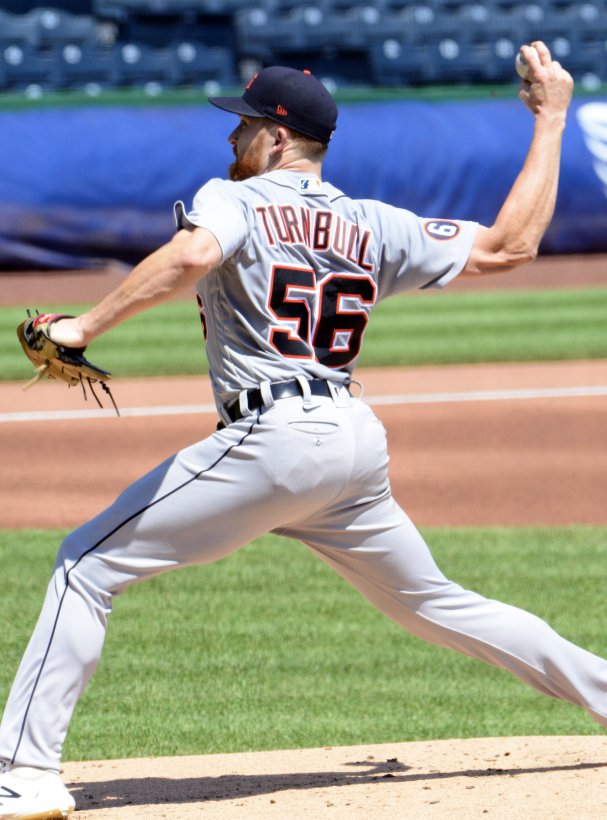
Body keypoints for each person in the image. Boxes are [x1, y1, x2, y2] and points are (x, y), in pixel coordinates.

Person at [0, 43, 601, 820]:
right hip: (351, 443)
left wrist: (82, 325)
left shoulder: (233, 198)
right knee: (433, 603)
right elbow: (509, 246)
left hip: (273, 438)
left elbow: (192, 254)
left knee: (85, 564)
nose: (230, 139)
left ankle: (24, 771)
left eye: (244, 124)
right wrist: (550, 118)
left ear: (277, 137)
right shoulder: (372, 222)